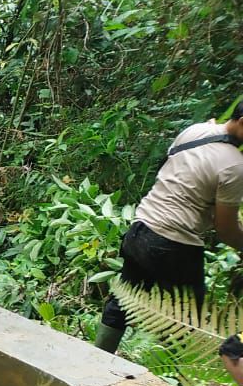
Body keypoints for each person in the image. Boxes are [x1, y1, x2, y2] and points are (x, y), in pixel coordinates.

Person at [95, 100, 243, 353]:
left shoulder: (195, 131)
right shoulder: (235, 166)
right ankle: (171, 371)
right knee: (185, 319)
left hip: (141, 228)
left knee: (124, 300)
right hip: (175, 244)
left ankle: (96, 358)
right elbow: (226, 229)